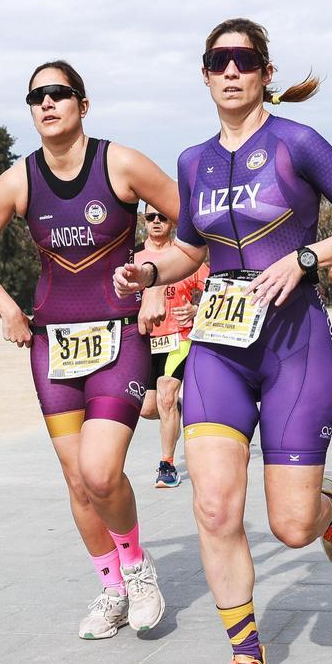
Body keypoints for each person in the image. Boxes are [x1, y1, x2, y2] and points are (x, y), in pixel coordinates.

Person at [115, 18, 332, 664]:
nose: (231, 71)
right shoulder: (191, 161)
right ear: (205, 74)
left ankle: (327, 506)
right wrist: (150, 271)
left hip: (295, 348)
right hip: (218, 350)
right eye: (218, 60)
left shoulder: (298, 142)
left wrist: (306, 257)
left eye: (244, 60)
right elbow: (190, 249)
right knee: (212, 507)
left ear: (266, 72)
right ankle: (247, 659)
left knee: (291, 527)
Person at [0, 60, 179, 642]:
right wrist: (8, 308)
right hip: (51, 346)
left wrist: (154, 280)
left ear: (83, 103)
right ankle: (111, 589)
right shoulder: (17, 180)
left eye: (59, 93)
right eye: (36, 96)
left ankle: (137, 569)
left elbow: (194, 225)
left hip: (119, 337)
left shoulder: (121, 164)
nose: (47, 103)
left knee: (102, 471)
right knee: (78, 481)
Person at [133, 204, 209, 488]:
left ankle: (167, 465)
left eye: (162, 217)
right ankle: (175, 408)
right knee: (148, 408)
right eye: (150, 217)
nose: (155, 222)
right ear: (143, 221)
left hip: (179, 338)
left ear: (172, 223)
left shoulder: (185, 258)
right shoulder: (135, 258)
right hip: (145, 341)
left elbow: (216, 289)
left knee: (165, 394)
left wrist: (196, 309)